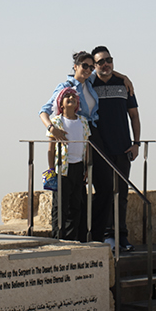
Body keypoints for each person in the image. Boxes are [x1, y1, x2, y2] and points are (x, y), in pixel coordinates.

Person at [89, 46, 140, 251]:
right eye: (100, 61)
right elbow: (76, 74)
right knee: (103, 193)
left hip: (123, 148)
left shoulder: (123, 85)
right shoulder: (88, 84)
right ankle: (104, 236)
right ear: (94, 65)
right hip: (99, 149)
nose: (105, 64)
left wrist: (136, 143)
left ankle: (121, 236)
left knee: (122, 194)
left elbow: (134, 116)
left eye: (108, 60)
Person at [49, 87, 91, 242]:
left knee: (76, 204)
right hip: (62, 168)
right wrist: (51, 169)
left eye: (73, 97)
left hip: (78, 166)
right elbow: (51, 147)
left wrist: (87, 167)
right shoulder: (57, 121)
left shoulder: (83, 122)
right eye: (67, 96)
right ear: (61, 102)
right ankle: (58, 237)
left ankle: (72, 237)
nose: (71, 99)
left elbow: (86, 145)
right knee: (60, 204)